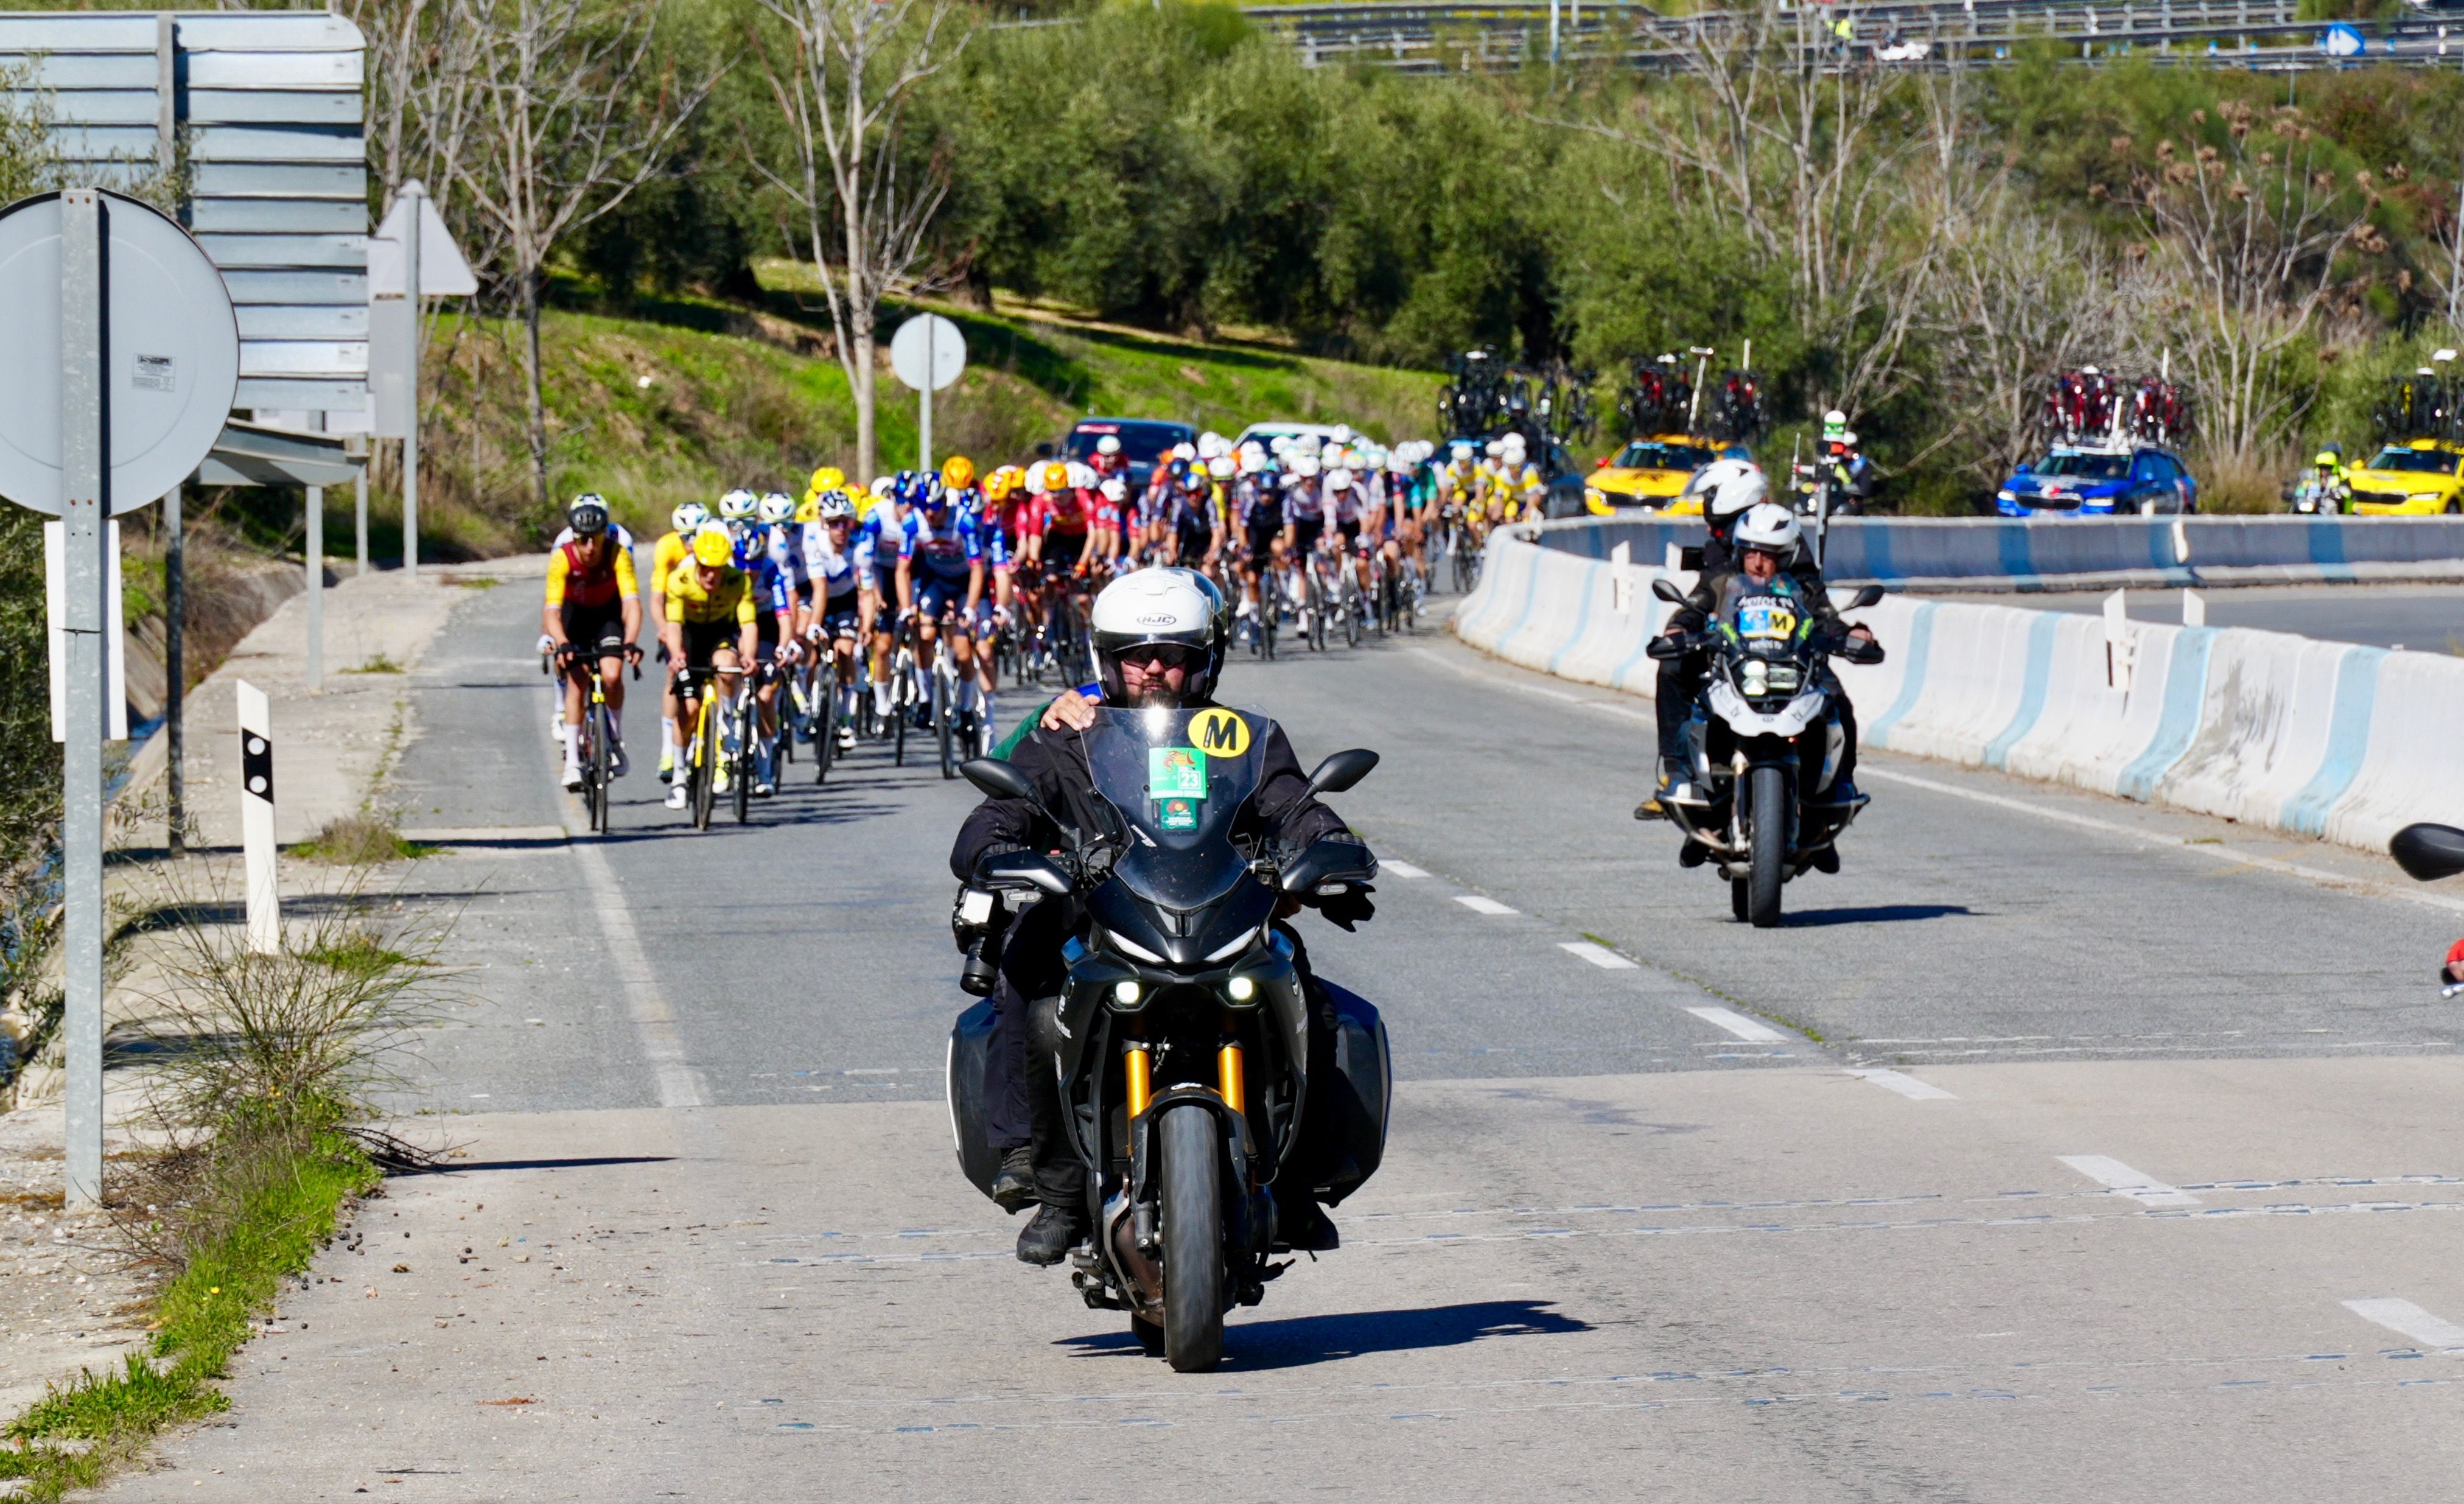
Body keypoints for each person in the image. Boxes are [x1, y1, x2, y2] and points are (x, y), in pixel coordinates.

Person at [951, 568, 1375, 1264]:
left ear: (1203, 659)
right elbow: (999, 811)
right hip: (1101, 918)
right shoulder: (1067, 734)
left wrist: (1329, 850)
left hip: (1217, 914)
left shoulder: (1239, 737)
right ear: (1106, 658)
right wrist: (998, 850)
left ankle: (1298, 1181)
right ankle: (1054, 1191)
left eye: (1172, 654)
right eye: (1135, 653)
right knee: (1033, 1000)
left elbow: (1296, 807)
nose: (1154, 667)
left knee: (1308, 995)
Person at [1642, 461, 1869, 817]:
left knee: (1838, 703)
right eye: (1751, 554)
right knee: (1673, 669)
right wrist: (1681, 627)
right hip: (1733, 650)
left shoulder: (1785, 537)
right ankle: (1678, 778)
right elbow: (1705, 594)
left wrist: (1846, 633)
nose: (1760, 562)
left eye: (1769, 555)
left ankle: (1837, 795)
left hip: (1790, 654)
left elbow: (1817, 602)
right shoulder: (1725, 543)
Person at [542, 495, 643, 790]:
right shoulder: (563, 557)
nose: (589, 547)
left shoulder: (617, 554)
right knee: (577, 681)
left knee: (612, 675)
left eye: (594, 539)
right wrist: (560, 642)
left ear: (603, 535)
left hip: (606, 616)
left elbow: (632, 604)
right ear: (575, 538)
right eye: (583, 540)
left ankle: (614, 737)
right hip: (575, 617)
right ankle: (572, 762)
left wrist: (631, 641)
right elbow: (552, 609)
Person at [661, 525, 760, 810]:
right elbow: (674, 624)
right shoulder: (679, 580)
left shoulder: (738, 581)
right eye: (705, 568)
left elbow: (749, 625)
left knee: (728, 666)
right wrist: (677, 654)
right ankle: (679, 776)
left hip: (720, 633)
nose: (710, 576)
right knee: (689, 709)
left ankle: (726, 722)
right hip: (690, 636)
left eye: (717, 569)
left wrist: (749, 656)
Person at [649, 501, 711, 784]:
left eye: (697, 534)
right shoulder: (667, 548)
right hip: (678, 615)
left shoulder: (713, 546)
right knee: (674, 673)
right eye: (686, 536)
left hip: (707, 614)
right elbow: (658, 595)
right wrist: (663, 627)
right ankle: (667, 750)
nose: (692, 542)